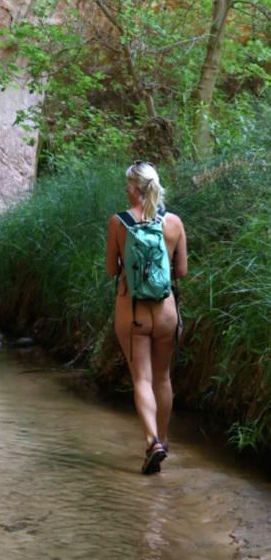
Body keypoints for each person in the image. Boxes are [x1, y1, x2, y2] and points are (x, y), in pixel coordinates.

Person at [105, 160, 187, 474]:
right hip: (166, 310)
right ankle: (163, 441)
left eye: (127, 186)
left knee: (141, 378)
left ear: (134, 189)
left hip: (133, 308)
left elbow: (112, 270)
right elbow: (181, 271)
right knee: (163, 377)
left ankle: (151, 442)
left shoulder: (118, 222)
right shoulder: (174, 223)